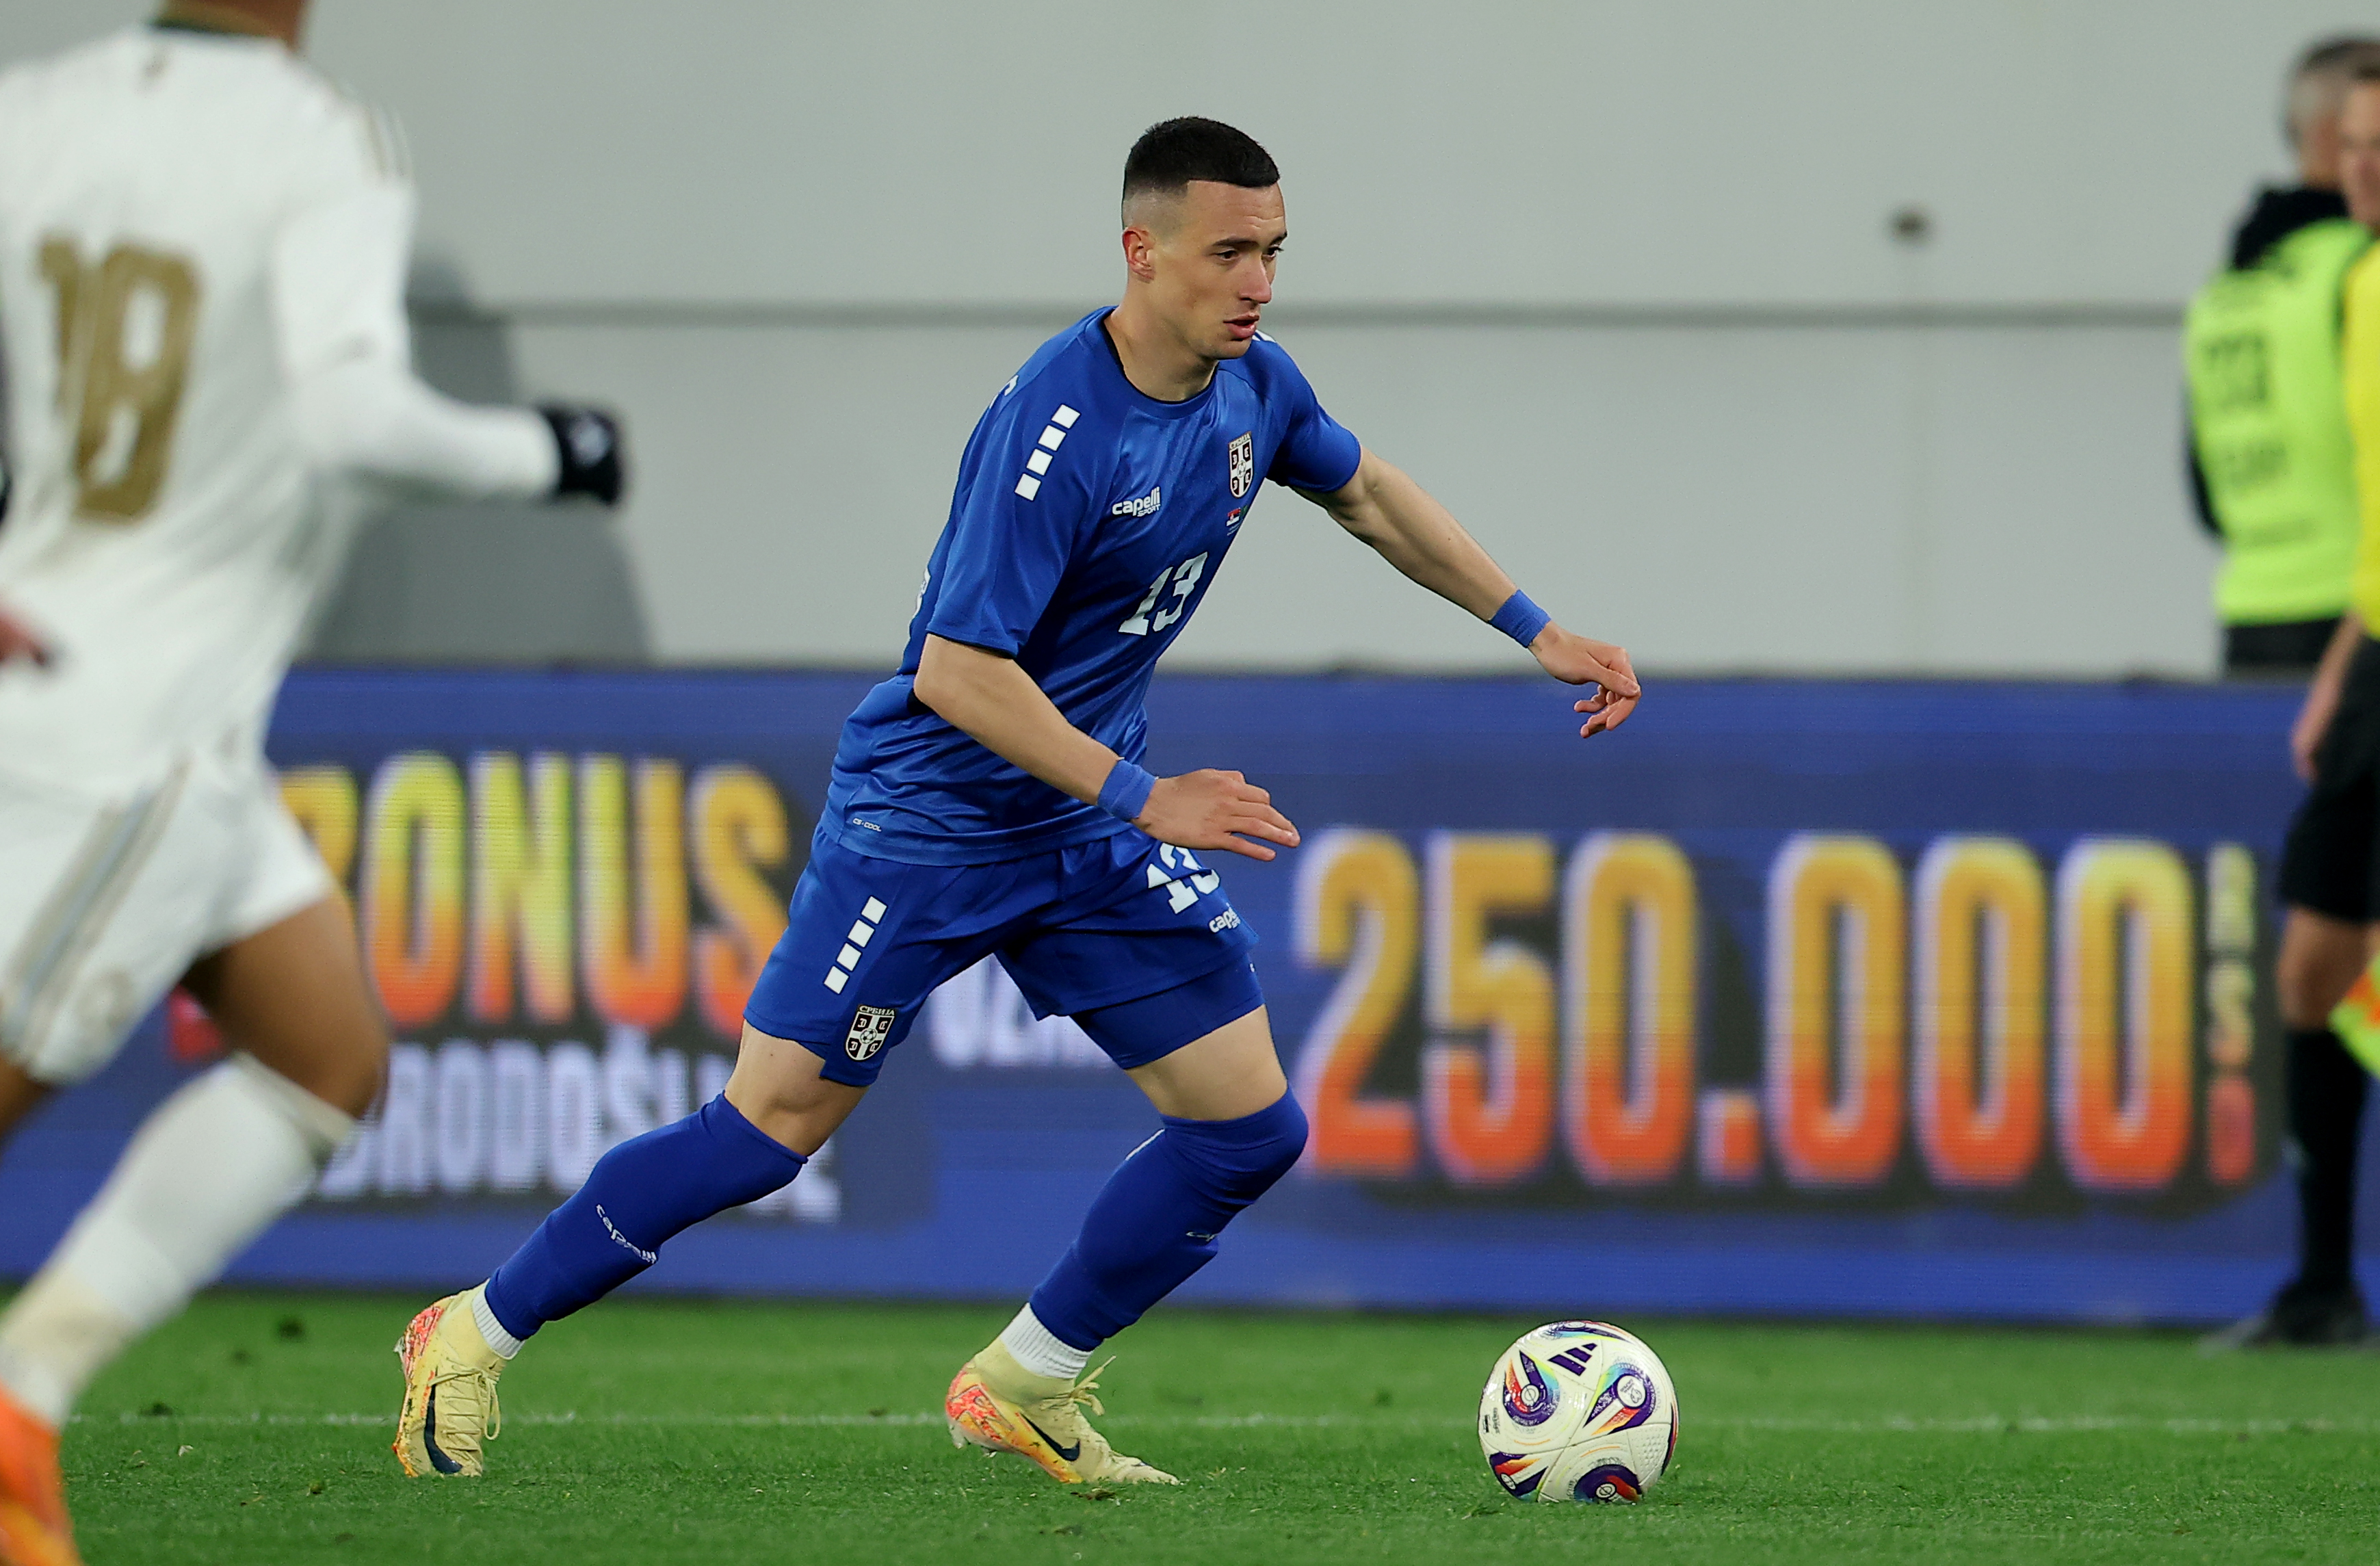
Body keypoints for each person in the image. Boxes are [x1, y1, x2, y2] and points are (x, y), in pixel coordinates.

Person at [389, 116, 1639, 1487]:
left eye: (1273, 251)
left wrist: (1533, 627)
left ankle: (1025, 1381)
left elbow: (1372, 498)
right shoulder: (1058, 427)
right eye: (1229, 251)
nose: (1258, 282)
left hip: (1080, 829)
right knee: (769, 1131)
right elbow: (955, 672)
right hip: (928, 828)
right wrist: (1145, 793)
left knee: (1247, 1123)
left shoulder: (1254, 390)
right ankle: (470, 1327)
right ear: (1139, 251)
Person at [0, 1, 625, 1556]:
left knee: (321, 1052)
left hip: (111, 678)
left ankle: (23, 1396)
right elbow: (353, 414)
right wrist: (555, 450)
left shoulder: (40, 105)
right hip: (133, 735)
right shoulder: (318, 138)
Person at [2213, 62, 2380, 1351]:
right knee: (2311, 967)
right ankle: (2319, 1283)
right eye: (2354, 144)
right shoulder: (2357, 287)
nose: (2362, 164)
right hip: (2370, 654)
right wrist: (2338, 665)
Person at [2187, 37, 2380, 677]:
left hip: (2251, 616)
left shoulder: (2223, 291)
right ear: (2336, 133)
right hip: (2357, 619)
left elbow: (2204, 493)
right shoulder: (2358, 270)